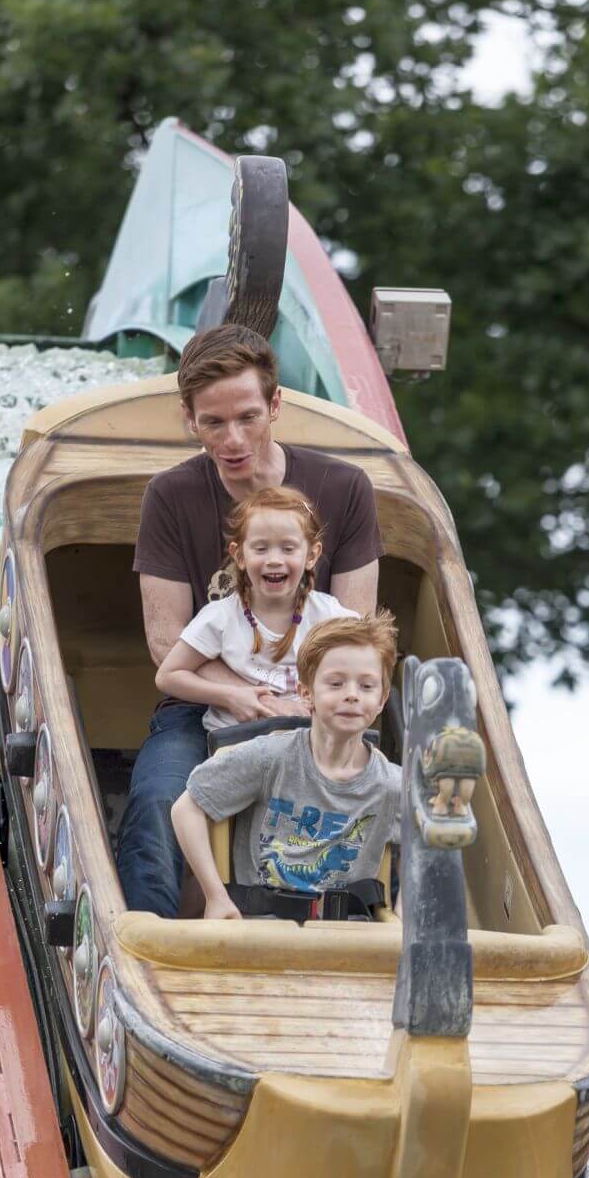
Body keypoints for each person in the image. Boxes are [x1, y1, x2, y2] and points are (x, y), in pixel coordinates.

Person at [117, 323, 382, 917]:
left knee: (371, 791)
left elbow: (354, 633)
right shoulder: (171, 495)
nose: (233, 439)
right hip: (204, 699)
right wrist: (245, 696)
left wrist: (304, 702)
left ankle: (356, 928)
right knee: (160, 794)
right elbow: (166, 641)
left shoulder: (345, 488)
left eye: (248, 417)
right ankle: (147, 937)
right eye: (213, 423)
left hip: (316, 697)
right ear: (189, 419)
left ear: (276, 406)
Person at [171, 612, 401, 922]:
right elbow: (186, 808)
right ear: (307, 693)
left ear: (382, 699)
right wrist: (215, 897)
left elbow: (428, 847)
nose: (351, 694)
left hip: (349, 941)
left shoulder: (392, 785)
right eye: (335, 684)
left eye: (366, 686)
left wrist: (403, 917)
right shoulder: (271, 758)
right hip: (261, 932)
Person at [155, 485, 357, 731]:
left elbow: (371, 657)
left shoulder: (328, 615)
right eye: (261, 548)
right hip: (237, 739)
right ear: (239, 555)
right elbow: (169, 676)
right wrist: (230, 696)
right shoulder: (221, 616)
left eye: (288, 548)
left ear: (311, 555)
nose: (274, 559)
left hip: (309, 740)